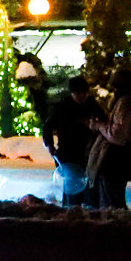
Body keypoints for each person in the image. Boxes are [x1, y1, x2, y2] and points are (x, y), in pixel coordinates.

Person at [41, 75, 106, 206]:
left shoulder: (92, 106)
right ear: (72, 93)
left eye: (83, 93)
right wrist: (49, 145)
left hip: (88, 154)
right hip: (68, 153)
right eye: (77, 93)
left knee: (89, 190)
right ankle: (71, 214)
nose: (81, 96)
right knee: (71, 189)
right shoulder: (62, 108)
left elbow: (104, 123)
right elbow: (47, 128)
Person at [86, 68, 131, 209]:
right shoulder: (123, 102)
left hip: (114, 162)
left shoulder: (125, 103)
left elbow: (117, 135)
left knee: (110, 205)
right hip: (114, 163)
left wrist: (100, 125)